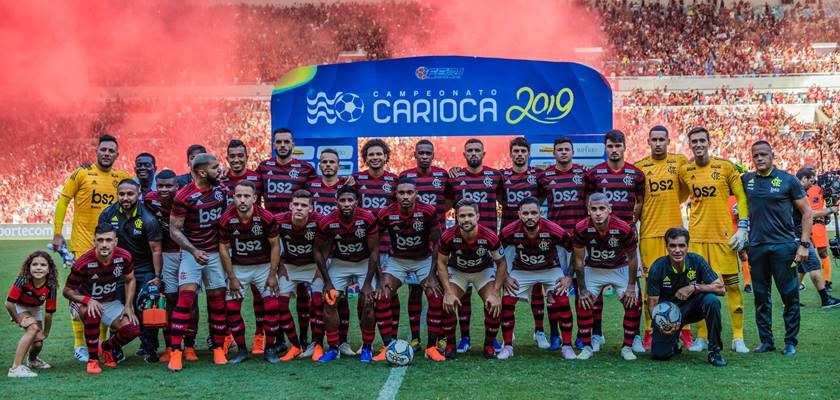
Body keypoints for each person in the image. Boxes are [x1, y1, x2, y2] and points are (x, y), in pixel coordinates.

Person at [52, 134, 132, 362]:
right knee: (80, 297)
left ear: (117, 154)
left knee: (106, 296)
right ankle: (80, 345)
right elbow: (63, 201)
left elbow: (142, 191)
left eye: (111, 151)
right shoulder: (82, 173)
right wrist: (58, 232)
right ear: (96, 151)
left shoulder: (122, 178)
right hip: (83, 246)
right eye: (103, 150)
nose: (107, 154)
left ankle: (100, 347)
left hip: (110, 249)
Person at [678, 127, 750, 354]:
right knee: (697, 288)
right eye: (694, 141)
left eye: (702, 140)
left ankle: (738, 337)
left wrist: (744, 227)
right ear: (689, 145)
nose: (698, 144)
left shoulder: (726, 167)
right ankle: (702, 336)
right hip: (697, 238)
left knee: (732, 287)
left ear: (709, 142)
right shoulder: (685, 170)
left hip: (723, 238)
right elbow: (678, 196)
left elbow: (741, 196)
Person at [742, 141, 812, 356]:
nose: (760, 158)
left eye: (764, 154)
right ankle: (766, 341)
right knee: (761, 296)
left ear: (773, 155)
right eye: (756, 155)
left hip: (783, 247)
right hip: (757, 247)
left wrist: (803, 245)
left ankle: (790, 342)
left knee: (789, 295)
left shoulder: (788, 180)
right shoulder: (746, 180)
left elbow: (807, 213)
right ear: (752, 158)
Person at [583, 129, 645, 353]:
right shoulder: (594, 174)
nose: (614, 150)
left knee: (633, 288)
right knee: (596, 287)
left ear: (624, 147)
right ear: (605, 148)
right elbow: (587, 203)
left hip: (626, 237)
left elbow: (639, 202)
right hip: (599, 238)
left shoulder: (636, 175)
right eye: (610, 146)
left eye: (618, 146)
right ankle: (597, 334)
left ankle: (635, 336)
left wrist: (631, 222)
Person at [166, 153, 229, 371]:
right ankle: (176, 351)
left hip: (215, 255)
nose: (219, 170)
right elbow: (174, 229)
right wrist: (193, 250)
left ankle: (218, 349)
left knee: (218, 303)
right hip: (192, 255)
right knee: (185, 301)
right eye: (215, 167)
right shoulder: (184, 196)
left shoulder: (221, 191)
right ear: (202, 172)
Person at [375, 178, 446, 361]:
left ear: (416, 194)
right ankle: (387, 345)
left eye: (409, 193)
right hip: (397, 260)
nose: (405, 196)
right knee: (382, 295)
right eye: (401, 193)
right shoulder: (386, 213)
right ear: (395, 195)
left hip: (423, 259)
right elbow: (374, 244)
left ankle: (432, 346)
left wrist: (432, 275)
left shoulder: (427, 211)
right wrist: (380, 275)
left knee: (435, 296)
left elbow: (437, 242)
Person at [635, 126, 693, 350]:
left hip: (675, 232)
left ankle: (685, 331)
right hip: (649, 232)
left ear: (668, 141)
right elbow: (639, 199)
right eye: (654, 140)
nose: (658, 143)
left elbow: (685, 192)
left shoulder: (679, 162)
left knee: (682, 281)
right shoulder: (640, 167)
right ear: (648, 142)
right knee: (651, 283)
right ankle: (650, 331)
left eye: (662, 139)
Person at [259, 128, 316, 352]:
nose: (282, 145)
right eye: (278, 142)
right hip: (274, 232)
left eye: (286, 142)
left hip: (298, 230)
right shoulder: (264, 167)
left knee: (303, 292)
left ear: (293, 144)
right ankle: (280, 337)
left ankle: (303, 337)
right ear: (274, 144)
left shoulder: (306, 169)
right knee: (274, 288)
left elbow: (319, 191)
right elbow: (253, 191)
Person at [219, 181, 288, 364]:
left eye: (246, 196)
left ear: (254, 198)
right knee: (232, 309)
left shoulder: (266, 217)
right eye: (239, 196)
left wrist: (272, 274)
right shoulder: (226, 218)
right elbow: (223, 249)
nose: (242, 200)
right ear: (233, 197)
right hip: (239, 268)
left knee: (272, 307)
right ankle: (242, 350)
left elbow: (275, 246)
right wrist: (232, 277)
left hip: (263, 267)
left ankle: (270, 349)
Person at [498, 197, 574, 360]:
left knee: (563, 300)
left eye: (533, 212)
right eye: (525, 213)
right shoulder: (508, 231)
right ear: (519, 214)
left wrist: (568, 276)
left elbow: (574, 250)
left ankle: (567, 346)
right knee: (507, 302)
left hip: (549, 269)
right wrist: (505, 277)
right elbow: (497, 253)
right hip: (522, 270)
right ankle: (508, 346)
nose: (530, 216)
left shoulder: (555, 230)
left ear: (540, 213)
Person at [448, 138, 504, 354]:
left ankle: (492, 340)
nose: (473, 153)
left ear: (483, 153)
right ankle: (464, 338)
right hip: (461, 243)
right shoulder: (455, 177)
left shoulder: (494, 176)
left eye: (477, 150)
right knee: (464, 294)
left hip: (487, 243)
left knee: (489, 295)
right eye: (469, 150)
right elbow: (445, 204)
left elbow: (505, 202)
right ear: (464, 154)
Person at [98, 179, 163, 362]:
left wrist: (157, 276)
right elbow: (101, 243)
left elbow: (156, 250)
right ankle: (115, 348)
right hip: (117, 268)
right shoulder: (107, 214)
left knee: (146, 306)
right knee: (117, 308)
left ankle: (149, 347)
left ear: (138, 195)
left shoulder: (148, 219)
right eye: (122, 194)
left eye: (130, 194)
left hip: (143, 267)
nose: (125, 197)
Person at [314, 186, 380, 363]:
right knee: (330, 300)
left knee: (368, 301)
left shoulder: (367, 218)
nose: (346, 204)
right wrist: (327, 281)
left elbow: (374, 252)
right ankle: (334, 347)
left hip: (363, 262)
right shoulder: (327, 221)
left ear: (356, 202)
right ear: (336, 202)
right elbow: (318, 252)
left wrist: (367, 284)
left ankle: (367, 346)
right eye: (342, 200)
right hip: (340, 263)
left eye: (350, 200)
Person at [63, 223, 140, 374]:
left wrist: (128, 306)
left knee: (132, 329)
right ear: (94, 241)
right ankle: (92, 360)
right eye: (100, 240)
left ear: (115, 241)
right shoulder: (83, 263)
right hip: (82, 302)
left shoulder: (124, 257)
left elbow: (130, 279)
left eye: (109, 240)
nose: (104, 244)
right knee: (93, 311)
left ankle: (105, 348)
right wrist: (87, 300)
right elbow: (67, 292)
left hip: (109, 301)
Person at [572, 193, 641, 361]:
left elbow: (633, 258)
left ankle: (627, 347)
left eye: (602, 208)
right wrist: (582, 289)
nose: (598, 213)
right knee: (583, 302)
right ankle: (587, 346)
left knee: (634, 302)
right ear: (588, 210)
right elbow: (578, 261)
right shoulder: (581, 228)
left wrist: (631, 286)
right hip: (594, 269)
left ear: (609, 209)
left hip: (619, 268)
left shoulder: (624, 228)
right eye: (594, 209)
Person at [437, 199, 507, 359]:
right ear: (456, 217)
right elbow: (441, 263)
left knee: (493, 304)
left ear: (477, 216)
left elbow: (501, 264)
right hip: (458, 271)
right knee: (447, 303)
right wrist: (448, 291)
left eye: (470, 215)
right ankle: (450, 345)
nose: (466, 219)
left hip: (482, 271)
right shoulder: (448, 236)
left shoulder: (490, 236)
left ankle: (489, 344)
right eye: (462, 216)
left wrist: (496, 292)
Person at [646, 227, 727, 367]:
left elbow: (721, 289)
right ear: (666, 247)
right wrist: (661, 324)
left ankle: (714, 351)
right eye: (672, 245)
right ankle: (674, 340)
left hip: (694, 307)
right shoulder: (657, 267)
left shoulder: (697, 261)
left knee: (712, 301)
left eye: (681, 245)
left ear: (687, 246)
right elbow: (652, 303)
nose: (677, 250)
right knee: (659, 355)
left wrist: (694, 287)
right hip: (670, 314)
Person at [399, 140, 451, 351]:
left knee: (437, 289)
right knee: (414, 291)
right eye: (420, 152)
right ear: (415, 154)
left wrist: (435, 216)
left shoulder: (442, 175)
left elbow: (449, 201)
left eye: (427, 153)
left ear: (433, 154)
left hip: (437, 239)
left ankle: (440, 337)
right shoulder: (405, 176)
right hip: (414, 241)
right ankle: (415, 337)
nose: (424, 156)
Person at [537, 137, 588, 351]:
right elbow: (536, 201)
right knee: (555, 289)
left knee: (582, 286)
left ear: (573, 152)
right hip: (555, 242)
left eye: (567, 149)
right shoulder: (545, 176)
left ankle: (584, 334)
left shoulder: (584, 174)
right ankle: (555, 334)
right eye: (560, 150)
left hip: (581, 240)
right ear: (554, 153)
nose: (564, 152)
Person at [144, 170, 199, 363]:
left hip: (188, 253)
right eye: (160, 186)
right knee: (170, 300)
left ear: (178, 186)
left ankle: (190, 346)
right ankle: (169, 346)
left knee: (190, 301)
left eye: (169, 186)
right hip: (167, 254)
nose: (164, 189)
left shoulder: (187, 199)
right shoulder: (150, 200)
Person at [348, 139, 399, 348]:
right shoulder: (356, 181)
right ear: (365, 158)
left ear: (386, 156)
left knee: (389, 295)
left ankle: (391, 340)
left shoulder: (395, 181)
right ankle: (365, 342)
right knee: (364, 296)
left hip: (388, 246)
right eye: (371, 154)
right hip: (363, 248)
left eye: (379, 154)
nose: (375, 158)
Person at [220, 139, 268, 355]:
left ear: (247, 157)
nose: (237, 159)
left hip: (256, 242)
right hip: (228, 241)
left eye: (241, 155)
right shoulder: (220, 179)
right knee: (227, 294)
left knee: (260, 296)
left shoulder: (257, 177)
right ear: (227, 157)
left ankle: (260, 335)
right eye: (233, 156)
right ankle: (230, 335)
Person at [499, 137, 548, 350]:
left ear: (529, 154)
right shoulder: (503, 176)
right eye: (516, 151)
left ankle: (539, 331)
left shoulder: (537, 175)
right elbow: (501, 199)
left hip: (534, 236)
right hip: (509, 237)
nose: (519, 154)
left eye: (523, 151)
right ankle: (509, 336)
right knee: (505, 282)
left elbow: (543, 198)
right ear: (511, 154)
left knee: (537, 282)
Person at [305, 148, 353, 356]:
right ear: (320, 165)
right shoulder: (311, 185)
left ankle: (342, 341)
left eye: (332, 162)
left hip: (341, 252)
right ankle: (315, 342)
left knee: (339, 299)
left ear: (338, 165)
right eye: (324, 162)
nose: (328, 165)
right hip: (316, 250)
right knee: (316, 299)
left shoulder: (347, 186)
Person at [275, 190, 325, 361]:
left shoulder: (318, 221)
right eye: (295, 204)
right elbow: (272, 245)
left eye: (304, 205)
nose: (299, 208)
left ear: (310, 208)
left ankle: (317, 344)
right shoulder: (279, 221)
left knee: (319, 303)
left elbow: (328, 245)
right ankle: (295, 345)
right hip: (289, 266)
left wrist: (321, 268)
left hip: (313, 266)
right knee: (281, 305)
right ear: (290, 206)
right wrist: (279, 267)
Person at [5, 251, 58, 378]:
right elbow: (9, 303)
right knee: (33, 328)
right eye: (34, 264)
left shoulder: (51, 285)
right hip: (18, 305)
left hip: (35, 308)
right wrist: (18, 319)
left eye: (43, 265)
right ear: (29, 267)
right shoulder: (23, 280)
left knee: (38, 342)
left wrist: (45, 333)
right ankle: (15, 368)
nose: (38, 267)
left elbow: (49, 313)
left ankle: (33, 360)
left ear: (49, 269)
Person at [793, 169, 840, 308]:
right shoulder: (797, 193)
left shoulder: (792, 190)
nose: (812, 185)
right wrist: (829, 210)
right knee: (814, 265)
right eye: (811, 181)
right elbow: (808, 214)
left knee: (800, 268)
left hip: (794, 234)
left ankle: (790, 300)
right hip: (799, 235)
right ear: (804, 179)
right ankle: (825, 299)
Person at [804, 168, 834, 291]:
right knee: (802, 254)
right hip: (804, 224)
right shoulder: (800, 188)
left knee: (823, 252)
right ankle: (798, 282)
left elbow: (831, 200)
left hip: (818, 224)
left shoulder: (821, 188)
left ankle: (827, 281)